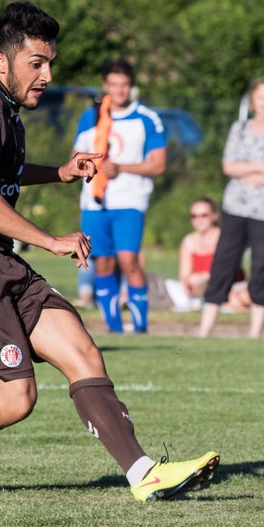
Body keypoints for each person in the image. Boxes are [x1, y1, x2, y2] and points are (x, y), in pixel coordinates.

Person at [0, 1, 219, 502]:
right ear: (3, 60)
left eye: (50, 63)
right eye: (37, 63)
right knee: (13, 399)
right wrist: (51, 240)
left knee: (81, 349)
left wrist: (59, 171)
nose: (48, 75)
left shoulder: (1, 104)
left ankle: (143, 474)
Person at [72, 59, 167, 333]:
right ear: (105, 86)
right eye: (113, 85)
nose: (118, 90)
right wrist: (91, 167)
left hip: (130, 201)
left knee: (129, 260)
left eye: (124, 85)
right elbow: (75, 157)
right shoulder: (91, 116)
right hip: (94, 202)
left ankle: (140, 328)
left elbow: (158, 164)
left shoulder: (146, 118)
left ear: (131, 86)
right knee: (102, 262)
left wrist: (121, 167)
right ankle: (114, 328)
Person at [198, 75, 264, 338]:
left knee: (261, 265)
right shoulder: (239, 128)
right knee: (223, 264)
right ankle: (205, 329)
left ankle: (255, 332)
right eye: (262, 97)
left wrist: (246, 170)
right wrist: (256, 168)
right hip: (236, 208)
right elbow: (228, 166)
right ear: (253, 100)